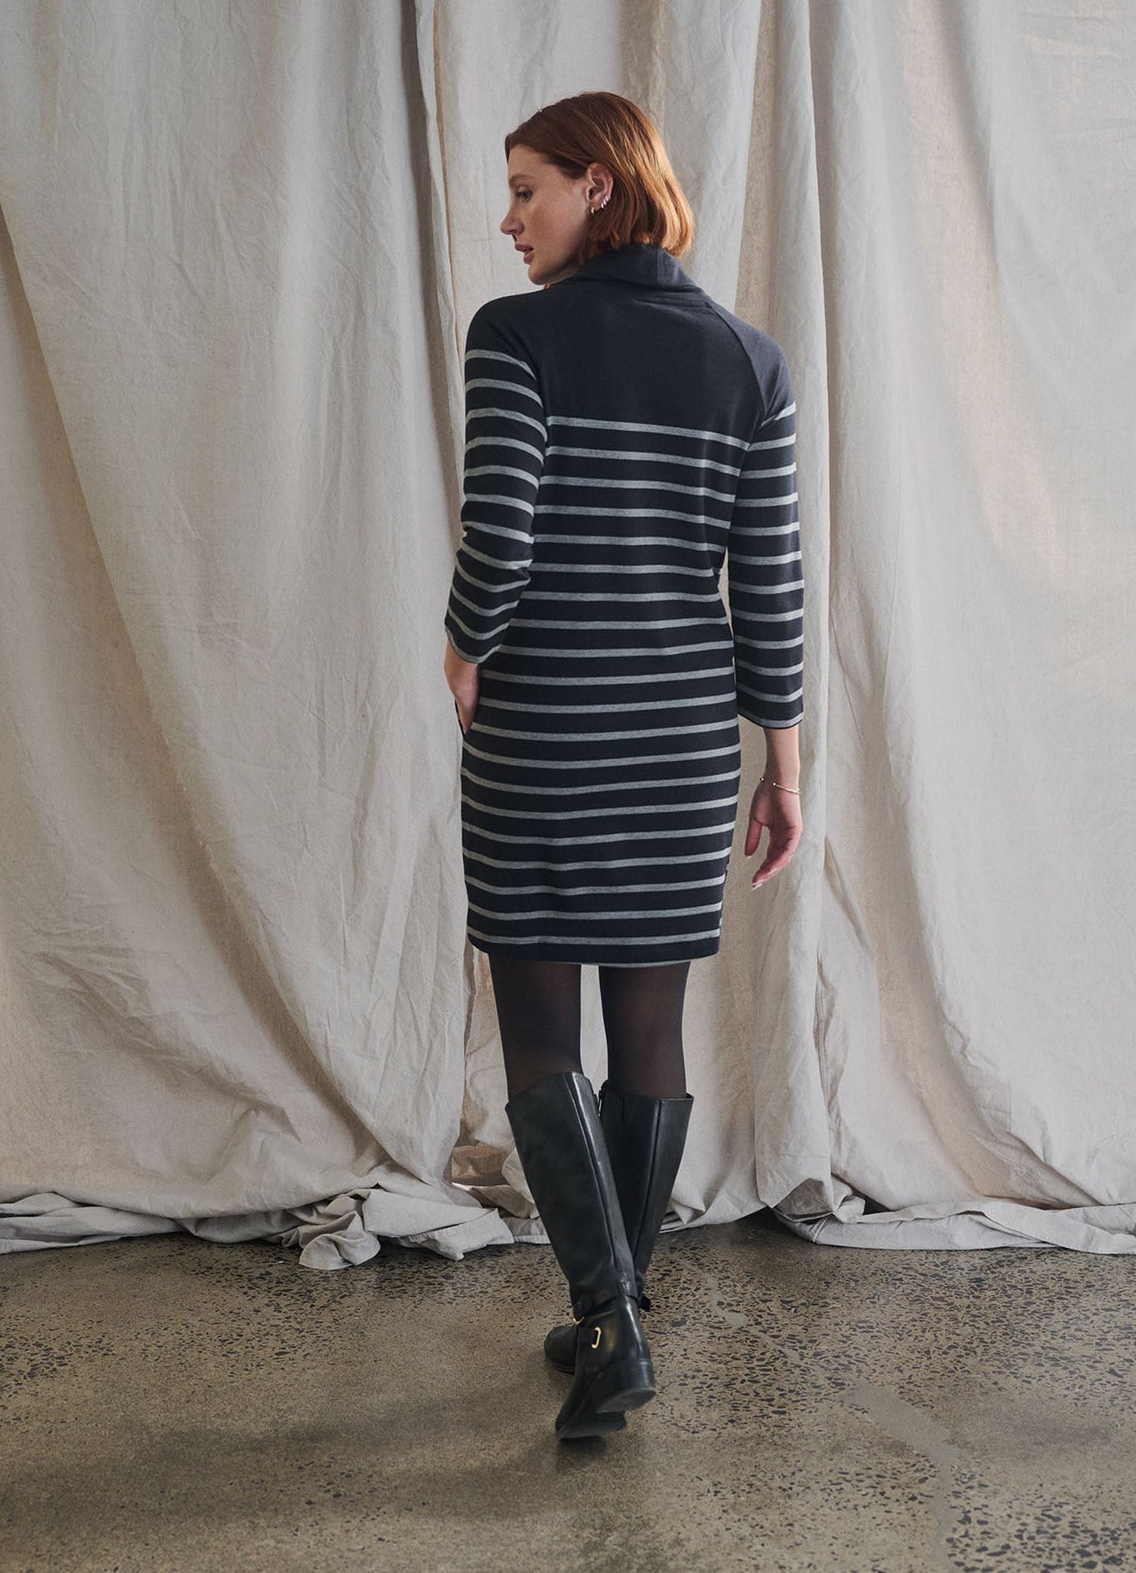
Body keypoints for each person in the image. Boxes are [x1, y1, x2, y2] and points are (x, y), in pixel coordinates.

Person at [441, 91, 804, 1441]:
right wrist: (781, 762)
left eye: (525, 186)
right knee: (649, 1031)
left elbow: (502, 529)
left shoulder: (517, 335)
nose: (508, 218)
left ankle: (611, 1325)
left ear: (598, 187)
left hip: (546, 727)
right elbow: (769, 585)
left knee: (540, 1029)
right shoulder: (749, 361)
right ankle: (616, 1319)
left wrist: (462, 647)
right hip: (677, 746)